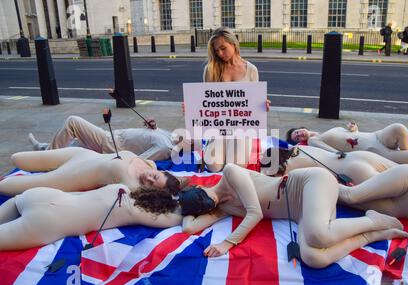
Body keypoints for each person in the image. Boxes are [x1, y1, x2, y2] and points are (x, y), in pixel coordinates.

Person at [179, 163, 408, 268]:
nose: (209, 203)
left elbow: (255, 213)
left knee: (319, 236)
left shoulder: (231, 173)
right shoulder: (221, 208)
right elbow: (189, 228)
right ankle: (371, 235)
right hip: (301, 212)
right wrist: (185, 209)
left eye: (201, 198)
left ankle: (373, 219)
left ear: (201, 187)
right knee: (314, 258)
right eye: (202, 207)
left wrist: (228, 242)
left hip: (309, 182)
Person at [180, 27, 267, 172]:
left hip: (241, 127)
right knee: (213, 165)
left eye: (223, 48)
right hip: (218, 126)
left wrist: (261, 106)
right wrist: (192, 109)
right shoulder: (211, 69)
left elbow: (253, 103)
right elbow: (205, 101)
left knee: (237, 166)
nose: (220, 53)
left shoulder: (251, 69)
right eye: (216, 50)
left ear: (233, 44)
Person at [0, 184, 182, 251]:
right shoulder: (138, 213)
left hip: (42, 195)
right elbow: (178, 221)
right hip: (48, 223)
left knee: (16, 203)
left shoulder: (122, 187)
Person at [0, 147, 183, 196]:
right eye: (155, 177)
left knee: (6, 186)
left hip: (72, 177)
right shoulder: (151, 165)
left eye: (150, 184)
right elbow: (182, 181)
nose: (149, 178)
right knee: (17, 158)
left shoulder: (133, 186)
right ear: (162, 173)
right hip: (82, 155)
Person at [339, 164, 408, 230]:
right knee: (351, 196)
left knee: (344, 200)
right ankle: (321, 175)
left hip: (401, 209)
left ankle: (323, 181)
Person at [28, 115, 177, 161]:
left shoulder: (166, 146)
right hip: (112, 137)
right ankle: (43, 148)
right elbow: (150, 137)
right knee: (70, 149)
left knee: (72, 122)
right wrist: (153, 127)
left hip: (109, 144)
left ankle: (45, 157)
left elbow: (140, 160)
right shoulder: (169, 135)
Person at [286, 121, 408, 167]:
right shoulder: (313, 141)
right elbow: (333, 152)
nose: (299, 135)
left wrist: (353, 128)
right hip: (372, 150)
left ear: (302, 128)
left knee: (399, 128)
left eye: (298, 131)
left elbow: (352, 134)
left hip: (376, 135)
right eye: (296, 137)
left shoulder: (329, 130)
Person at [261, 145, 396, 185]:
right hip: (357, 156)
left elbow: (271, 185)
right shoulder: (299, 148)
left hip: (351, 172)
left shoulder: (289, 171)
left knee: (405, 193)